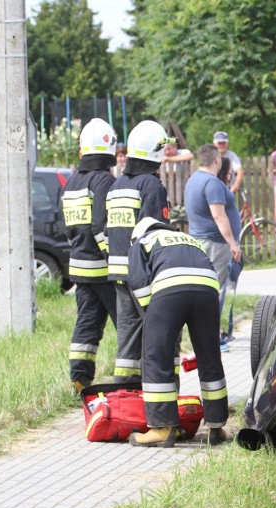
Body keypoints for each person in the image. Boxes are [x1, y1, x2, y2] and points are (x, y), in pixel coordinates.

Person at [126, 217, 228, 447]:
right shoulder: (186, 238)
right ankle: (216, 425)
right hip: (208, 289)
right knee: (209, 355)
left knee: (155, 355)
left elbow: (139, 282)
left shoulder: (141, 241)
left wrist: (151, 315)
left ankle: (161, 429)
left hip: (170, 288)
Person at [105, 120, 172, 383]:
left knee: (128, 334)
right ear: (154, 152)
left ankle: (125, 391)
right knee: (159, 332)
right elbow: (156, 234)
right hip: (143, 274)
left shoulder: (116, 185)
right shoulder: (152, 186)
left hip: (118, 273)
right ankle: (160, 390)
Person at [61, 118, 119, 392]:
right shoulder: (104, 180)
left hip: (80, 268)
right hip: (104, 270)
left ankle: (80, 380)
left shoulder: (71, 182)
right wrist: (116, 259)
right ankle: (132, 378)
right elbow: (101, 226)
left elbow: (68, 227)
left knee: (86, 325)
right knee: (127, 322)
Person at [184, 144, 243, 350]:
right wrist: (233, 244)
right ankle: (213, 337)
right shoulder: (212, 183)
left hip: (203, 241)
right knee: (214, 290)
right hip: (215, 244)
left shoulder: (193, 180)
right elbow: (219, 215)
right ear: (216, 159)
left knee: (209, 288)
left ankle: (212, 333)